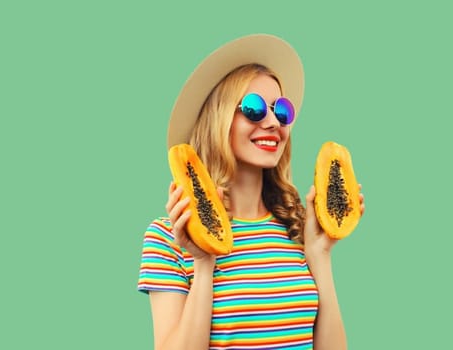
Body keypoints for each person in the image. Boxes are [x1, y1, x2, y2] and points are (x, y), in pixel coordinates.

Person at [136, 33, 363, 350]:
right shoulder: (167, 237)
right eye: (254, 108)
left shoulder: (296, 228)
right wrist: (203, 265)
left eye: (281, 110)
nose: (273, 122)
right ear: (218, 119)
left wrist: (319, 254)